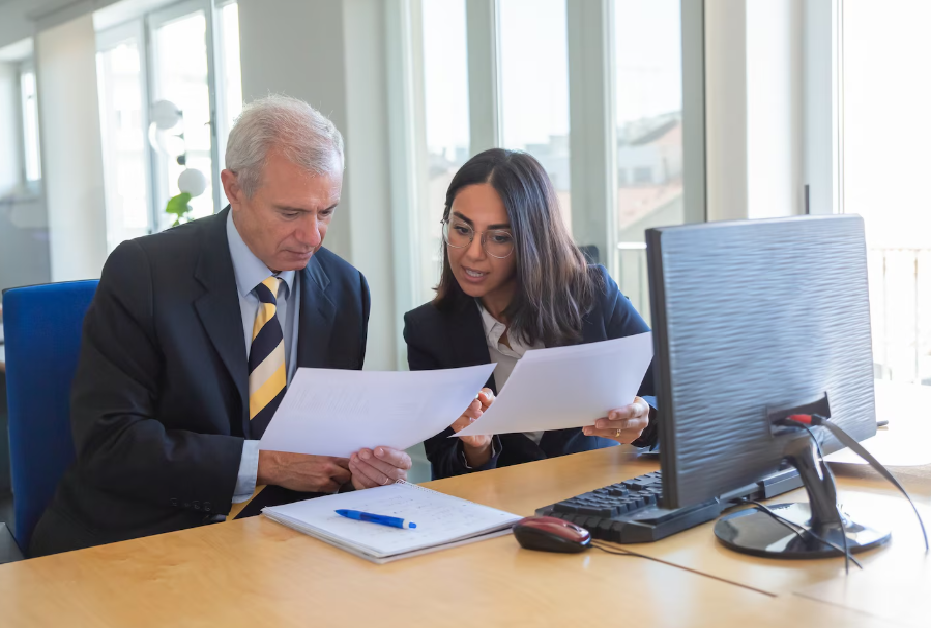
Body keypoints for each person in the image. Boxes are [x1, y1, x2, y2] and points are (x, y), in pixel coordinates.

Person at [30, 96, 410, 557]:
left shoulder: (346, 289)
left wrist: (364, 467)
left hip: (285, 543)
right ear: (234, 188)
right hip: (145, 538)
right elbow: (110, 442)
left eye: (326, 211)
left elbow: (326, 436)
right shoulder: (145, 272)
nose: (312, 236)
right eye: (290, 213)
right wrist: (265, 464)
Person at [404, 148, 657, 480]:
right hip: (499, 505)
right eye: (462, 229)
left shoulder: (594, 295)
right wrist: (477, 448)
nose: (472, 254)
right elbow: (444, 464)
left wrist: (644, 418)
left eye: (499, 237)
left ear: (533, 240)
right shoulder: (427, 330)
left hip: (599, 494)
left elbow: (675, 399)